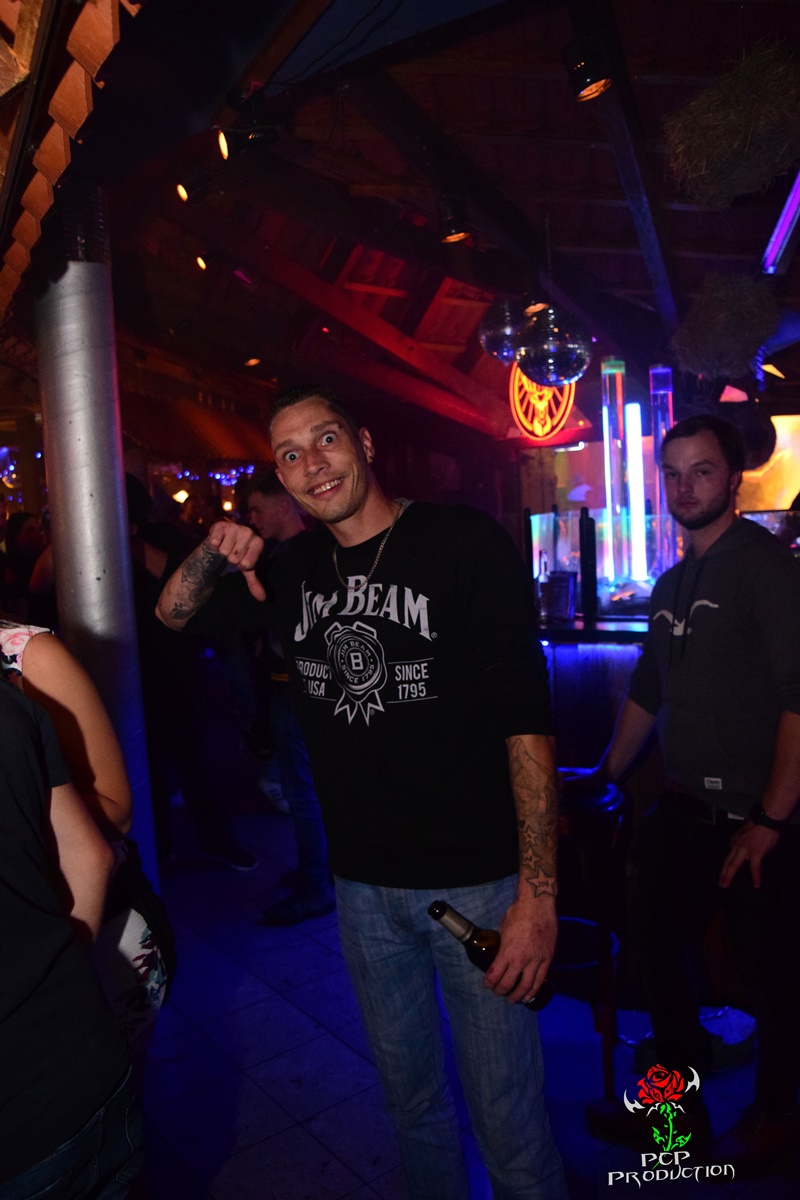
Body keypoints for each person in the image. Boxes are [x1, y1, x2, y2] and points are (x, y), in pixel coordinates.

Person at [156, 384, 567, 1200]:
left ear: (365, 443)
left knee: (510, 1126)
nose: (313, 464)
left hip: (477, 885)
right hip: (363, 889)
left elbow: (526, 723)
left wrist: (539, 896)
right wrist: (215, 548)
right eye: (290, 454)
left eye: (326, 438)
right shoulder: (294, 570)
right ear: (281, 478)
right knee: (411, 1108)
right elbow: (172, 614)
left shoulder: (459, 542)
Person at [572, 414, 800, 1175]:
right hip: (682, 809)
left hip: (758, 821)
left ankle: (778, 1118)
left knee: (772, 978)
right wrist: (604, 774)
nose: (684, 487)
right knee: (658, 955)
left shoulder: (766, 568)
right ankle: (678, 1118)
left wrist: (771, 819)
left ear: (733, 478)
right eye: (672, 473)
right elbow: (647, 689)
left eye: (701, 471)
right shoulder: (671, 583)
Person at [0, 619, 173, 1075]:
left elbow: (117, 808)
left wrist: (20, 807)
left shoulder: (28, 653)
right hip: (23, 935)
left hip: (95, 920)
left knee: (103, 1095)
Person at [0, 681, 141, 1197]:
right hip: (78, 1060)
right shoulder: (11, 699)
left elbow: (115, 813)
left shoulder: (27, 657)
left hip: (33, 1107)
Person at [243, 470, 333, 925]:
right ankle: (316, 873)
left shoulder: (295, 555)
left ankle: (316, 886)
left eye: (257, 508)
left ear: (284, 506)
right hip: (296, 683)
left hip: (296, 685)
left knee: (303, 790)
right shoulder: (302, 551)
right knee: (309, 786)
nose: (252, 518)